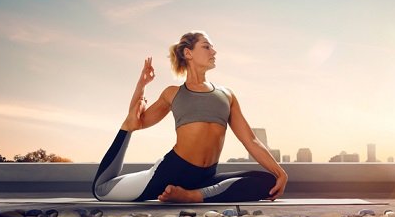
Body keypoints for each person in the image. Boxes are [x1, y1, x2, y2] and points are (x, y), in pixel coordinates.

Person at [92, 31, 288, 203]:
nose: (214, 52)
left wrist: (280, 172)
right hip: (170, 173)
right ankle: (196, 195)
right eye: (207, 47)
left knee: (269, 182)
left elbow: (251, 140)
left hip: (205, 176)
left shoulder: (227, 95)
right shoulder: (173, 93)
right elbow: (135, 122)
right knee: (101, 190)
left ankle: (192, 195)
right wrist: (141, 85)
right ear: (188, 53)